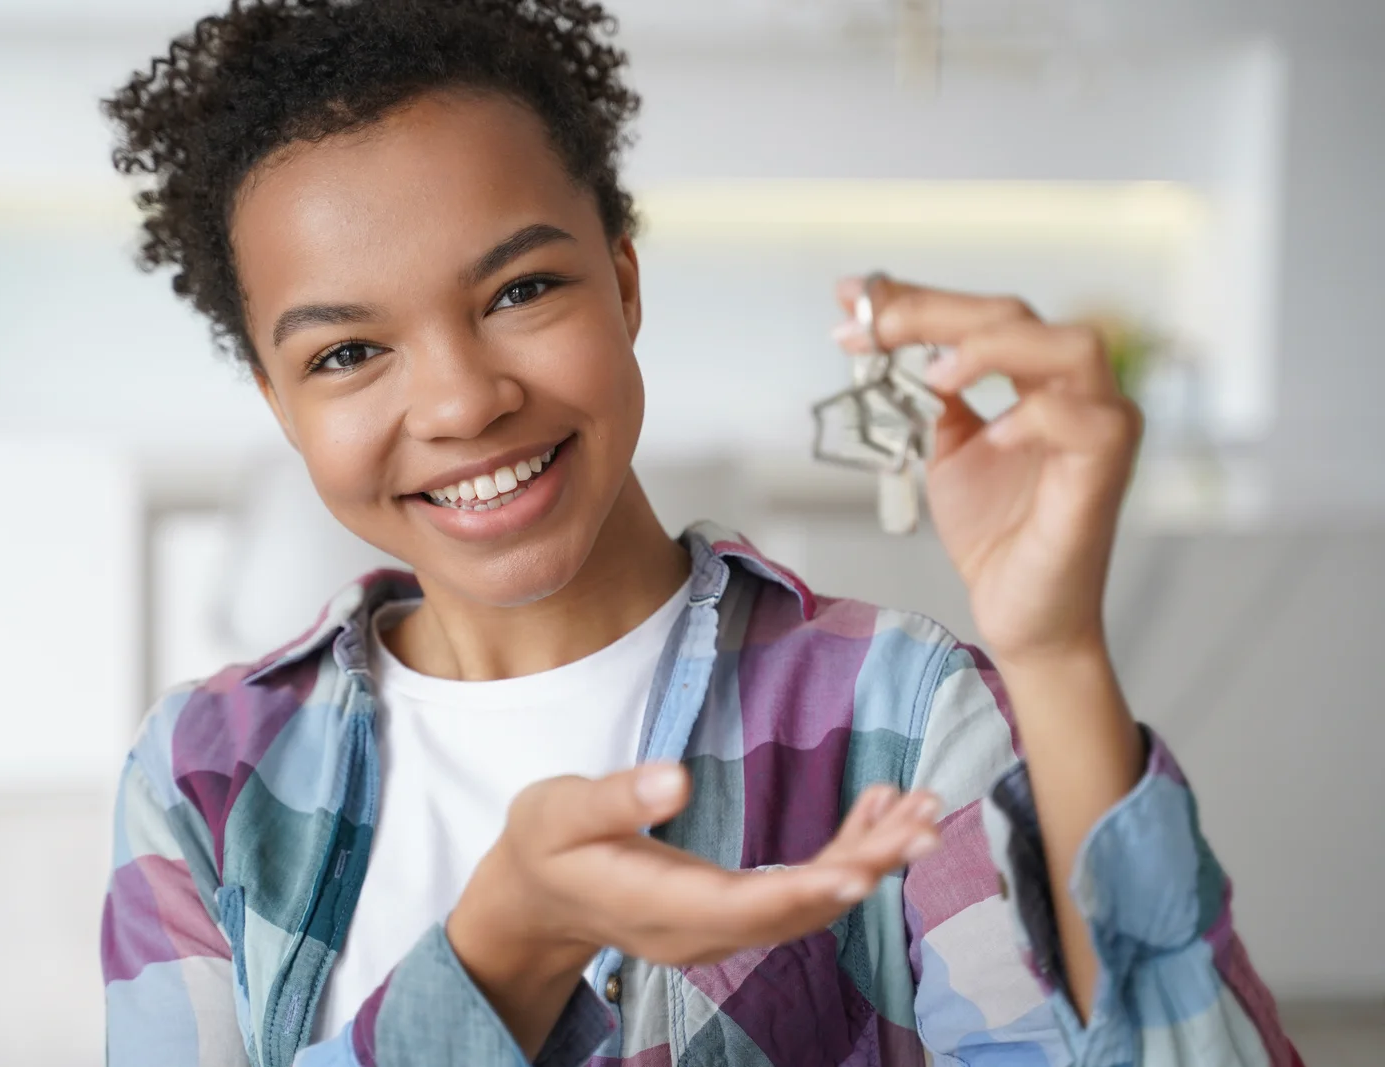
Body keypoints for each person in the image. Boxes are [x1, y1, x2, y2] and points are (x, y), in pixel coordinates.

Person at [99, 2, 1300, 1065]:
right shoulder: (204, 771)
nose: (463, 402)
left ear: (623, 282)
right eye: (346, 353)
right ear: (279, 402)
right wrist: (504, 949)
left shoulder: (899, 711)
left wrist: (1055, 655)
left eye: (520, 290)